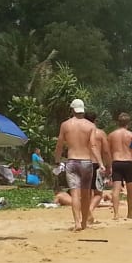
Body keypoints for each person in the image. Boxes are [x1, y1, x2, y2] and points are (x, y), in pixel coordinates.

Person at [53, 99, 103, 231]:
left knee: (75, 194)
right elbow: (93, 145)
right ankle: (85, 223)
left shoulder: (65, 125)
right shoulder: (90, 126)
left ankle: (77, 223)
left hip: (72, 161)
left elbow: (59, 144)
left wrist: (57, 160)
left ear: (72, 110)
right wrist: (101, 163)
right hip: (87, 162)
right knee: (86, 194)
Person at [107, 112, 132, 220]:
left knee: (116, 190)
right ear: (128, 123)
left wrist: (109, 165)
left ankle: (116, 214)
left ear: (118, 122)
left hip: (116, 162)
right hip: (128, 163)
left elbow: (108, 152)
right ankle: (130, 213)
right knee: (130, 190)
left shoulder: (112, 135)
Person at [85, 112, 111, 221]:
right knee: (98, 193)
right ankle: (89, 211)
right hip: (96, 163)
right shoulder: (100, 133)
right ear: (95, 121)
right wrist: (108, 165)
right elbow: (105, 151)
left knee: (87, 192)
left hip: (84, 162)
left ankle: (87, 212)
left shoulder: (82, 133)